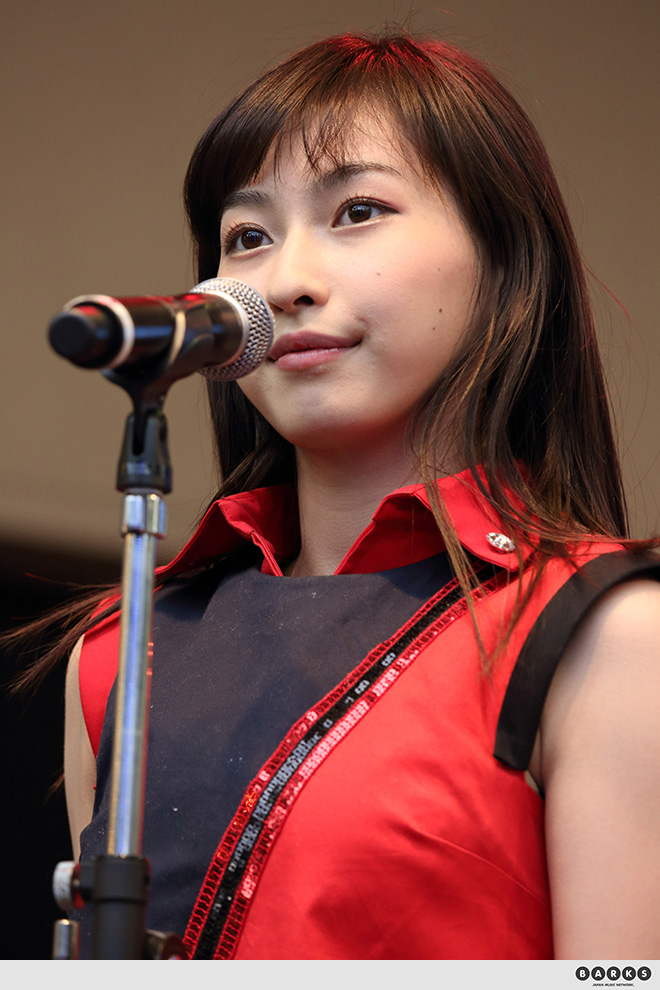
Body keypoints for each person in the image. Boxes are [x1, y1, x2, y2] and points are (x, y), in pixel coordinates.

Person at [35, 31, 660, 959]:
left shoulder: (610, 637)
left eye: (359, 211)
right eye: (247, 238)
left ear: (504, 259)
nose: (287, 282)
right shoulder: (119, 650)